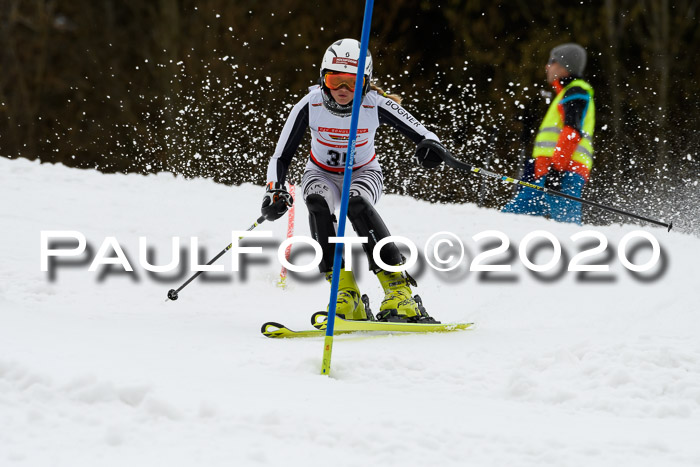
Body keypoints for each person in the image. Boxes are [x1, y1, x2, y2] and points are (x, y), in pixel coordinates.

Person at [260, 38, 449, 322]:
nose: (343, 90)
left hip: (364, 173)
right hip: (320, 172)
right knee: (316, 201)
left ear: (366, 81)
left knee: (355, 202)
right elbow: (281, 156)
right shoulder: (309, 104)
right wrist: (274, 191)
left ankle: (398, 290)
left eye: (351, 82)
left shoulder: (375, 104)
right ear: (323, 78)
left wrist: (430, 149)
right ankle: (344, 291)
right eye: (335, 80)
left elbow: (425, 135)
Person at [502, 43, 595, 224]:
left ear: (564, 67)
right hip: (550, 173)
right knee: (511, 219)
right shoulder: (565, 93)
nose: (547, 66)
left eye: (552, 61)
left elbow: (572, 131)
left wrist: (557, 170)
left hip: (565, 173)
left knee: (567, 228)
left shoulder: (577, 91)